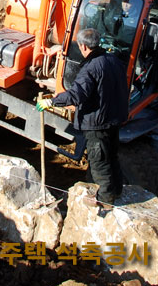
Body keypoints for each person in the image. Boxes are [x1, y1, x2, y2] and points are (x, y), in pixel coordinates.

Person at [36, 27, 129, 204]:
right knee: (111, 156)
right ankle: (117, 190)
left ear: (84, 47)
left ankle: (105, 199)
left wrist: (52, 102)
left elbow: (77, 94)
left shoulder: (91, 67)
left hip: (97, 123)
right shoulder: (114, 60)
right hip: (114, 118)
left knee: (99, 160)